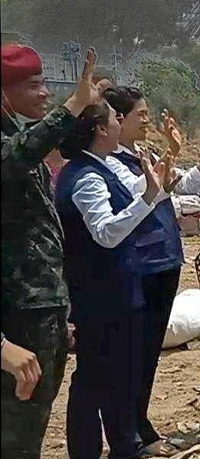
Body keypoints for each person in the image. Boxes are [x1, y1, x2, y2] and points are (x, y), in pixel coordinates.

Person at [104, 86, 200, 454]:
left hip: (165, 262)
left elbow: (182, 185)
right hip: (139, 265)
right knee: (133, 352)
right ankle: (127, 433)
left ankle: (140, 422)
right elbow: (148, 192)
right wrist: (168, 159)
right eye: (140, 114)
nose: (147, 119)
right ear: (117, 119)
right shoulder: (108, 163)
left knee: (149, 351)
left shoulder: (146, 154)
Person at [1, 45, 106, 459]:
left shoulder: (18, 139)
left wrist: (59, 311)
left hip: (40, 309)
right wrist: (74, 106)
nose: (44, 92)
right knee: (14, 429)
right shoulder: (14, 148)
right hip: (15, 314)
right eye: (33, 85)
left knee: (32, 423)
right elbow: (21, 153)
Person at [54, 98, 172, 459]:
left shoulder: (100, 165)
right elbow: (105, 232)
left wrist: (156, 185)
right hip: (100, 293)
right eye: (114, 118)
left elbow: (142, 193)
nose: (120, 122)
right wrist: (147, 198)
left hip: (116, 288)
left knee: (118, 376)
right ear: (101, 130)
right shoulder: (86, 176)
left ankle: (124, 445)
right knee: (95, 380)